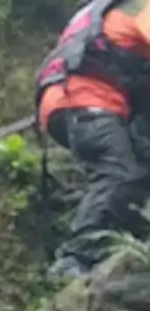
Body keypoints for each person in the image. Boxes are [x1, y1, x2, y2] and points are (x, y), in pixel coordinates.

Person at [35, 0, 150, 280]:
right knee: (119, 175)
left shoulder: (108, 9)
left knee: (139, 171)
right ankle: (74, 258)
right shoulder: (141, 8)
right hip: (85, 99)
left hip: (72, 102)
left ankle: (120, 243)